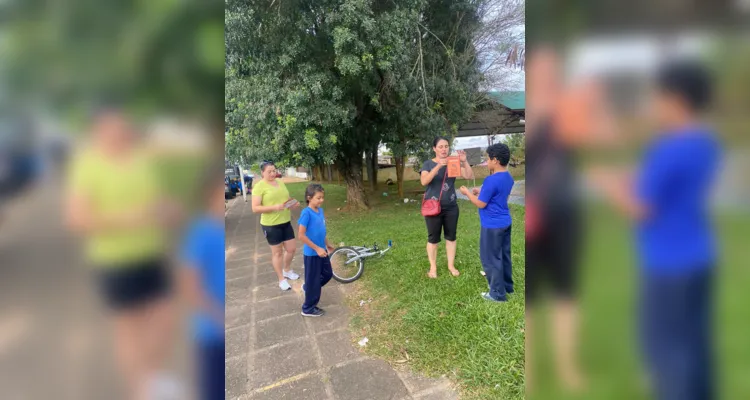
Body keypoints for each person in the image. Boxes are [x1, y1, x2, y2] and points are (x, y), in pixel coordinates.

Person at [590, 59, 721, 400]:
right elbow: (664, 189)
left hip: (668, 266)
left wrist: (607, 185)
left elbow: (641, 208)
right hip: (700, 257)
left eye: (658, 96)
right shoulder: (704, 143)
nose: (653, 104)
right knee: (695, 345)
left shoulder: (669, 147)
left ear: (675, 98)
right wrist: (630, 180)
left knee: (667, 351)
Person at [65, 106, 180, 400]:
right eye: (111, 126)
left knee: (165, 320)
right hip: (114, 260)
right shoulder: (88, 164)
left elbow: (160, 200)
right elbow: (77, 218)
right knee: (130, 330)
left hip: (151, 255)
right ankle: (140, 389)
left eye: (122, 124)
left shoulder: (142, 159)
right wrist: (133, 218)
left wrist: (169, 210)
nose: (118, 131)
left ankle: (152, 377)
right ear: (99, 129)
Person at [179, 171, 225, 400]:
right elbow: (188, 285)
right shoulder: (200, 232)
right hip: (211, 331)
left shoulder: (219, 229)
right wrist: (218, 316)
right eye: (219, 192)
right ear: (208, 196)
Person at [459, 143, 515, 302]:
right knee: (504, 255)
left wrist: (467, 193)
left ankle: (497, 294)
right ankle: (507, 286)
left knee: (491, 258)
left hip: (492, 225)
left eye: (487, 158)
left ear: (495, 160)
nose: (486, 161)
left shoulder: (491, 180)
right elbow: (495, 193)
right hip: (505, 222)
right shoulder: (508, 177)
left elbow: (481, 203)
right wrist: (481, 191)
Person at [420, 137, 474, 278]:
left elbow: (468, 175)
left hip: (451, 206)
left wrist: (464, 161)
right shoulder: (427, 164)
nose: (444, 149)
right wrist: (438, 166)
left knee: (451, 237)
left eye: (446, 146)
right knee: (433, 238)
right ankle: (433, 268)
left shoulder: (453, 162)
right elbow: (424, 181)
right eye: (441, 146)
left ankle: (451, 265)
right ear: (434, 149)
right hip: (432, 207)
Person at [251, 161, 301, 291]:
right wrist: (274, 207)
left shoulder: (280, 182)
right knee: (277, 253)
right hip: (271, 225)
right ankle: (281, 279)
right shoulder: (259, 187)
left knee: (291, 249)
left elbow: (286, 199)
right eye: (269, 171)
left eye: (274, 170)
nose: (273, 173)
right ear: (262, 173)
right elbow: (255, 208)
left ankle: (287, 270)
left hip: (285, 221)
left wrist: (293, 203)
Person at [297, 184, 335, 317]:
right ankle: (307, 308)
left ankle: (309, 287)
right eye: (318, 198)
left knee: (328, 274)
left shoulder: (321, 211)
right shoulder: (306, 213)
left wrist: (327, 244)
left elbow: (321, 231)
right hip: (312, 254)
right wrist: (317, 248)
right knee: (314, 281)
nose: (321, 200)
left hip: (322, 250)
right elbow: (301, 235)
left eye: (322, 197)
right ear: (309, 198)